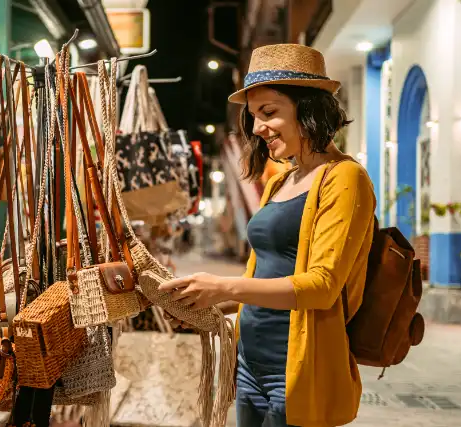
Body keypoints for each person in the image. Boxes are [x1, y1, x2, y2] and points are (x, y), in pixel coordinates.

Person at [159, 44, 376, 427]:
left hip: (296, 368)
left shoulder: (345, 177)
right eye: (255, 116)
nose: (258, 127)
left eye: (269, 112)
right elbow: (260, 279)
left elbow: (322, 287)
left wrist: (224, 288)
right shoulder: (281, 181)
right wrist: (202, 303)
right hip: (249, 364)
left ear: (307, 109)